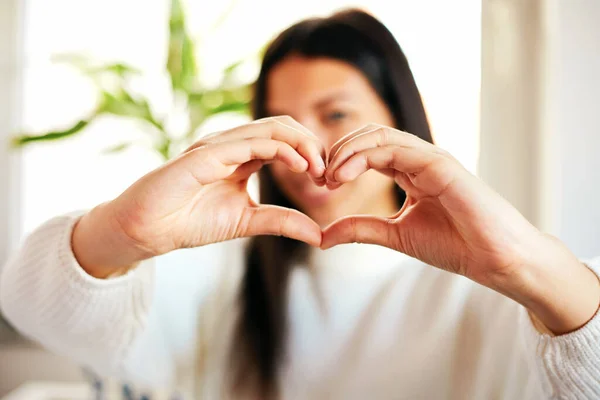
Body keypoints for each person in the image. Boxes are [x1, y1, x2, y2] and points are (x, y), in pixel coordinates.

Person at [1, 9, 599, 400]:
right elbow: (33, 308)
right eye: (283, 123)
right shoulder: (219, 270)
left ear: (400, 118)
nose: (305, 150)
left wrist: (526, 268)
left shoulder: (487, 283)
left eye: (336, 115)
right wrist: (123, 229)